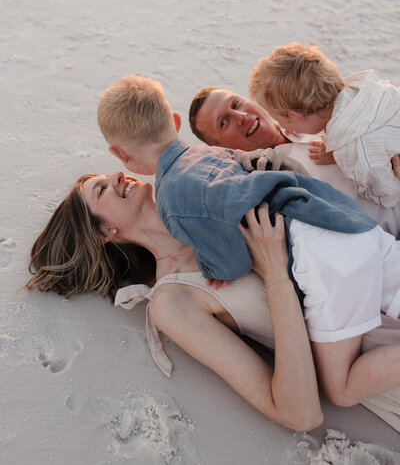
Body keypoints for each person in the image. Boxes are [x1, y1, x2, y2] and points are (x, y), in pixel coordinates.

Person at [97, 74, 400, 410]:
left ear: (119, 154)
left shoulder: (173, 202)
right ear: (174, 122)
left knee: (342, 388)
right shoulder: (217, 154)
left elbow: (234, 262)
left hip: (322, 256)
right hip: (349, 222)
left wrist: (213, 267)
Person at [26, 171, 400, 432]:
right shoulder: (173, 300)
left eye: (111, 174)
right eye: (102, 190)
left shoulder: (208, 205)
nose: (119, 177)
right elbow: (299, 413)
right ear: (106, 232)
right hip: (377, 358)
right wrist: (274, 273)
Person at [188, 87, 400, 238]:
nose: (240, 115)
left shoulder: (311, 108)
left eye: (236, 104)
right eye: (223, 122)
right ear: (221, 148)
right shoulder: (264, 187)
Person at [248, 42, 400, 207]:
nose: (283, 128)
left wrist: (343, 159)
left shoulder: (353, 149)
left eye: (277, 118)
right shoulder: (365, 86)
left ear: (295, 117)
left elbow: (388, 196)